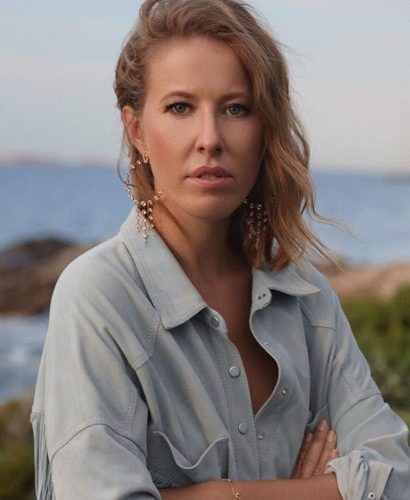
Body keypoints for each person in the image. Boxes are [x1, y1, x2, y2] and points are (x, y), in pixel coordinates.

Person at [31, 0, 410, 499]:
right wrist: (315, 491)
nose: (209, 139)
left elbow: (396, 477)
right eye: (180, 108)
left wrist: (217, 494)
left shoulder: (308, 299)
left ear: (264, 128)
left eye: (236, 108)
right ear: (136, 130)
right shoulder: (99, 297)